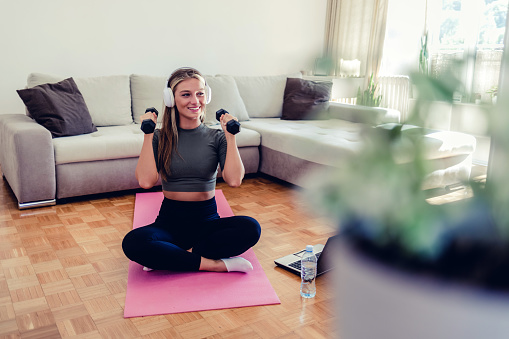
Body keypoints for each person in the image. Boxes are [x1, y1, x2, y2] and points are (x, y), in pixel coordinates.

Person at [122, 67, 261, 273]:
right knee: (133, 243)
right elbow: (145, 181)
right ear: (171, 99)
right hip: (169, 223)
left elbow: (234, 180)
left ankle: (171, 256)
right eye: (186, 94)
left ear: (207, 95)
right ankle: (215, 264)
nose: (195, 101)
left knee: (251, 227)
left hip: (207, 223)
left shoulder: (217, 137)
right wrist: (148, 135)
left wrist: (230, 137)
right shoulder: (160, 137)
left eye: (200, 93)